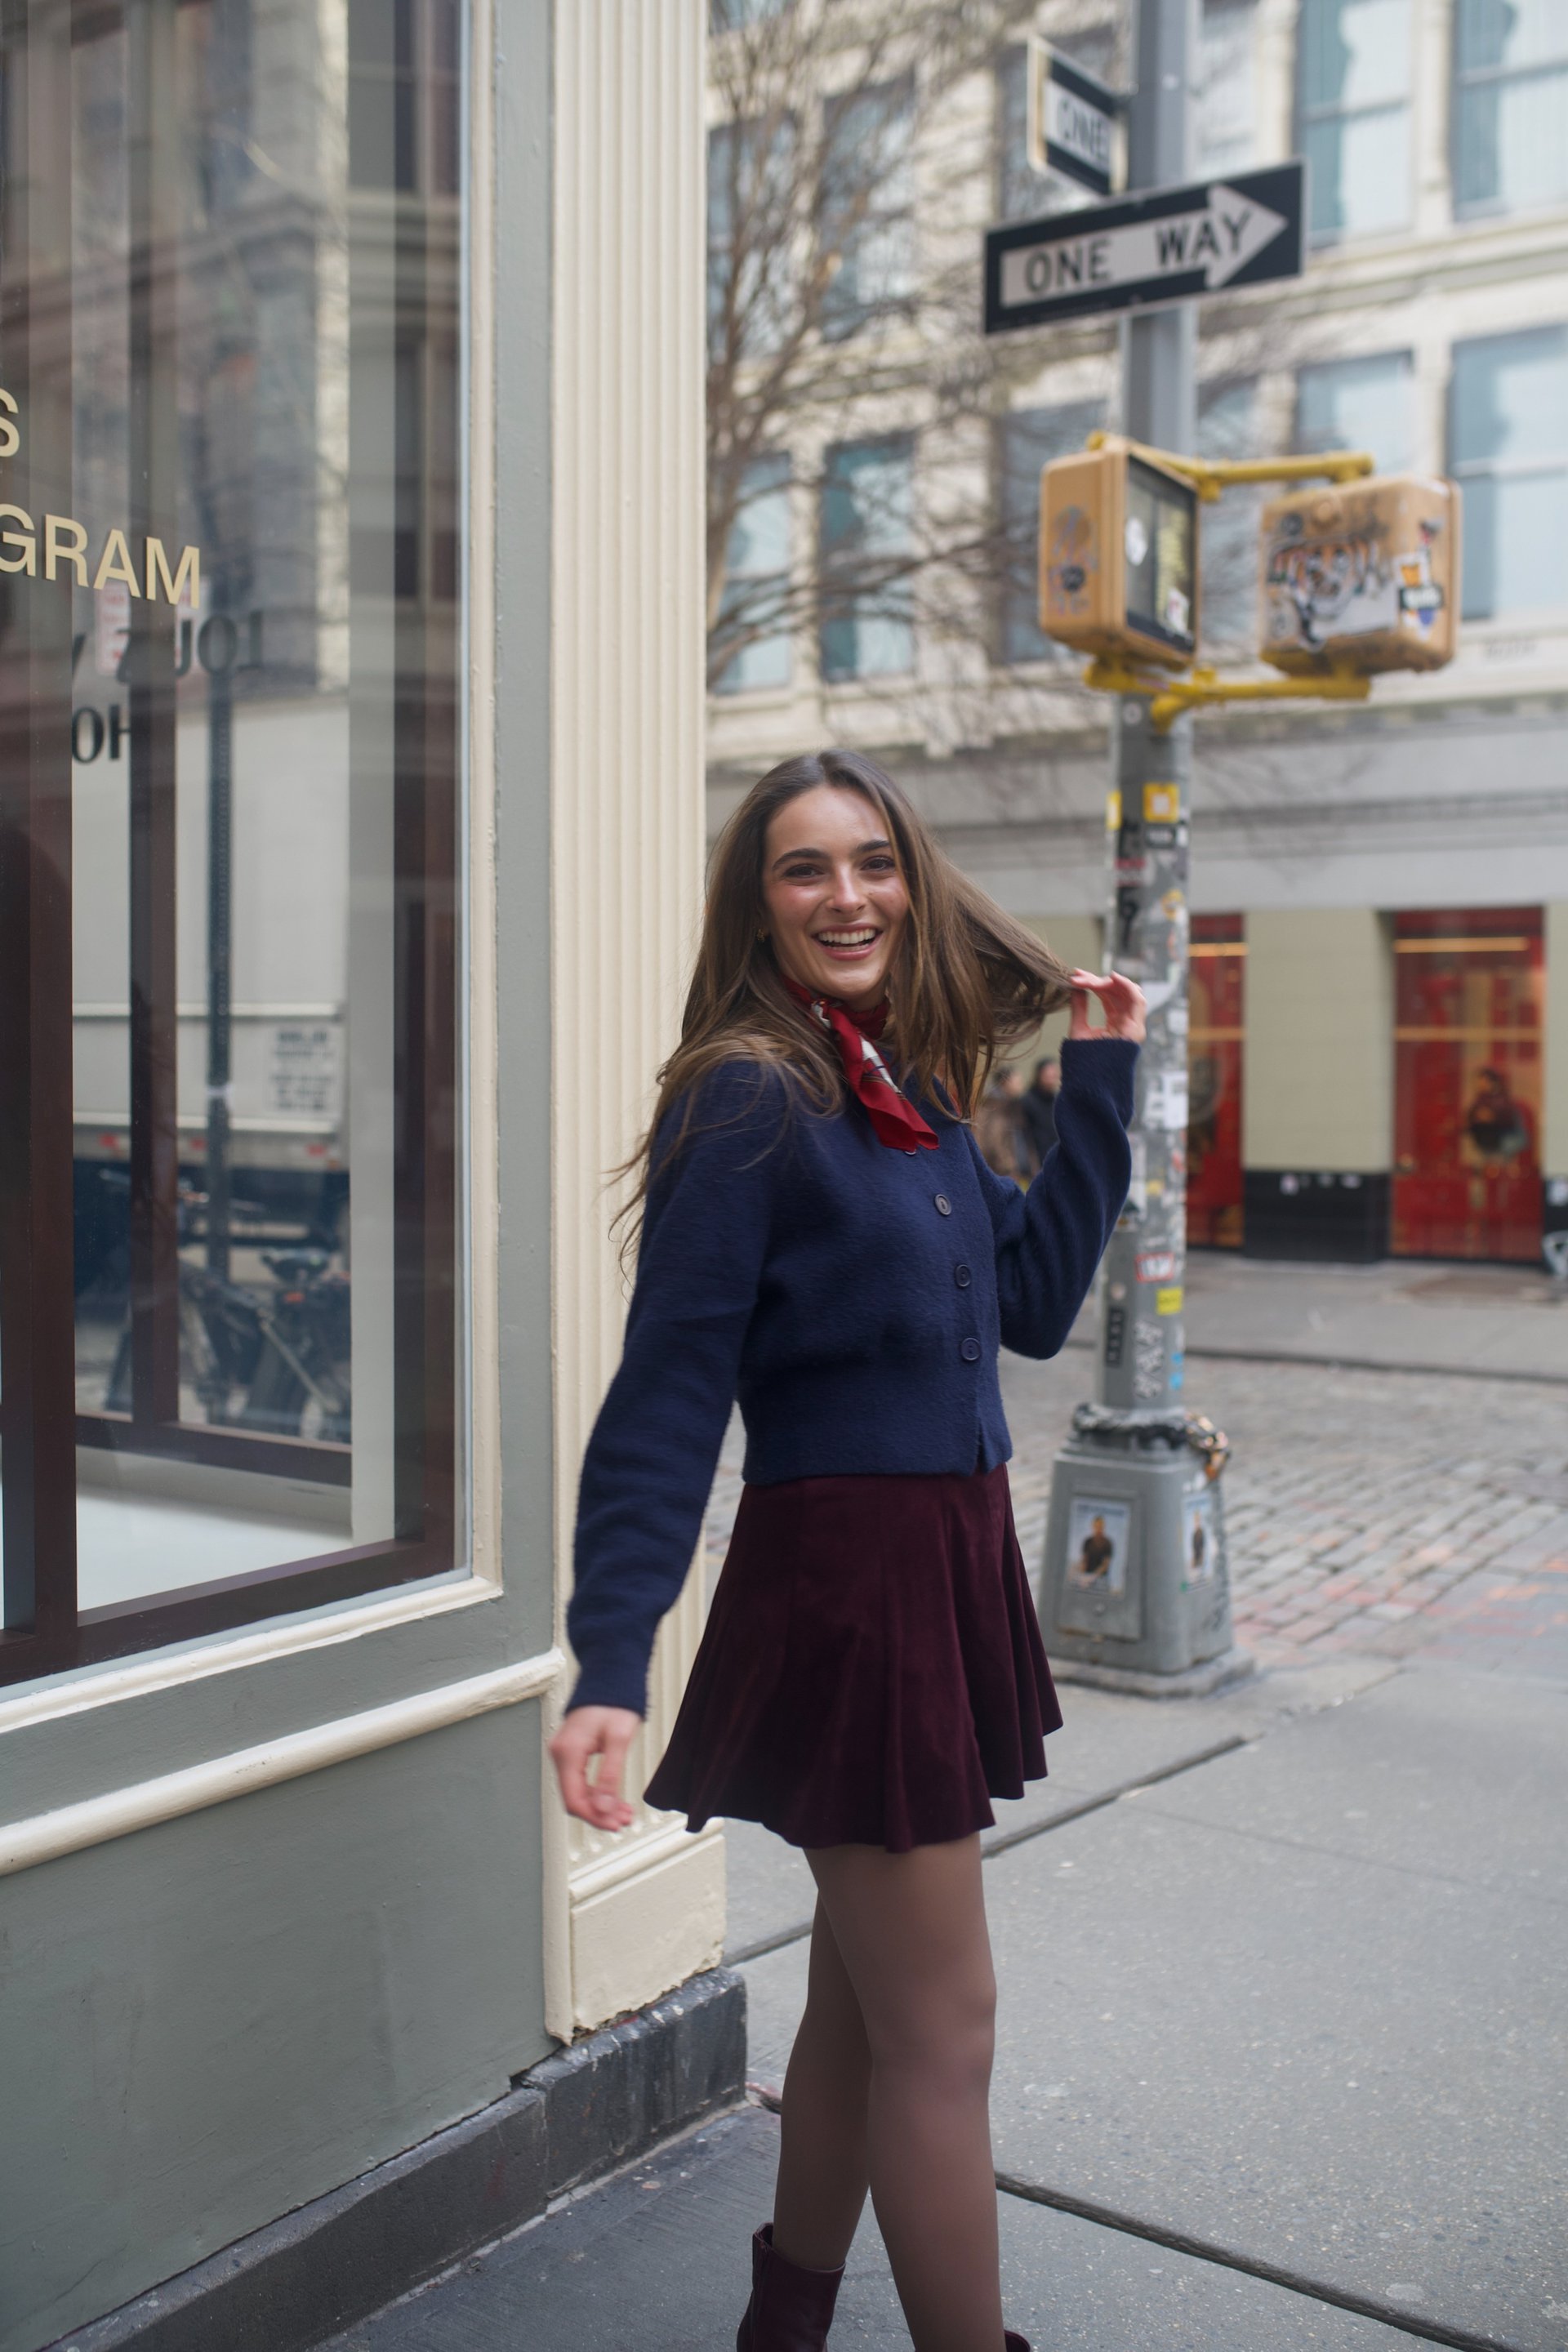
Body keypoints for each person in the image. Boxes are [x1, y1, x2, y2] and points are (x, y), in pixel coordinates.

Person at [550, 747, 1143, 2352]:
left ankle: (785, 2322)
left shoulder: (906, 1089)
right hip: (852, 1590)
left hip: (941, 1565)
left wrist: (1098, 1084)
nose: (848, 895)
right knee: (948, 2030)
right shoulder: (751, 1095)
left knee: (865, 2010)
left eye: (874, 861)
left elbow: (1032, 1306)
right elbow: (670, 1391)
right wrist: (611, 1657)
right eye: (804, 867)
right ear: (760, 905)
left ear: (912, 880)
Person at [975, 1064, 1035, 1184]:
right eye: (1017, 1081)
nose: (1021, 1085)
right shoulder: (994, 1107)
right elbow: (993, 1141)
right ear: (1005, 1082)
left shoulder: (1013, 1105)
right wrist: (1008, 1168)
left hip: (1016, 1172)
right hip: (1003, 1174)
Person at [1022, 1055, 1061, 1169]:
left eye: (1054, 1076)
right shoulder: (1027, 1101)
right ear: (1039, 1076)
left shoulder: (1058, 1100)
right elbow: (1024, 1136)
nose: (1051, 1080)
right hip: (1035, 1160)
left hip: (1055, 1157)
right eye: (1047, 1076)